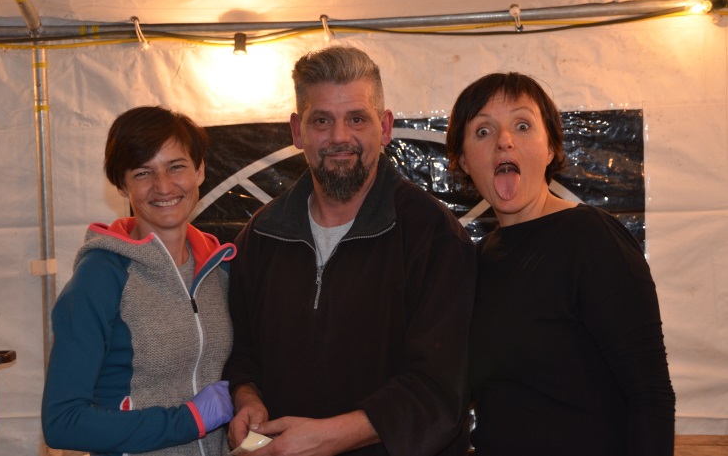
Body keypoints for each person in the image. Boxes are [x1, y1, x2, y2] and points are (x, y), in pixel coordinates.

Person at [222, 46, 476, 456]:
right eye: (322, 120)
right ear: (297, 131)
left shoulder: (433, 235)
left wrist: (327, 438)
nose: (339, 137)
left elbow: (439, 389)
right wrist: (247, 397)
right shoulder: (263, 235)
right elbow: (241, 352)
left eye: (356, 118)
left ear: (385, 127)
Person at [445, 72, 676, 456]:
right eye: (483, 131)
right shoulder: (475, 261)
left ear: (551, 147)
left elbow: (650, 393)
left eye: (522, 125)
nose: (504, 140)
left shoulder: (591, 238)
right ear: (464, 161)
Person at [42, 106, 236, 456]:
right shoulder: (101, 277)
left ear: (200, 170)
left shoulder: (218, 270)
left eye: (176, 167)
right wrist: (187, 421)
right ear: (121, 185)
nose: (163, 186)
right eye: (143, 173)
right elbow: (62, 422)